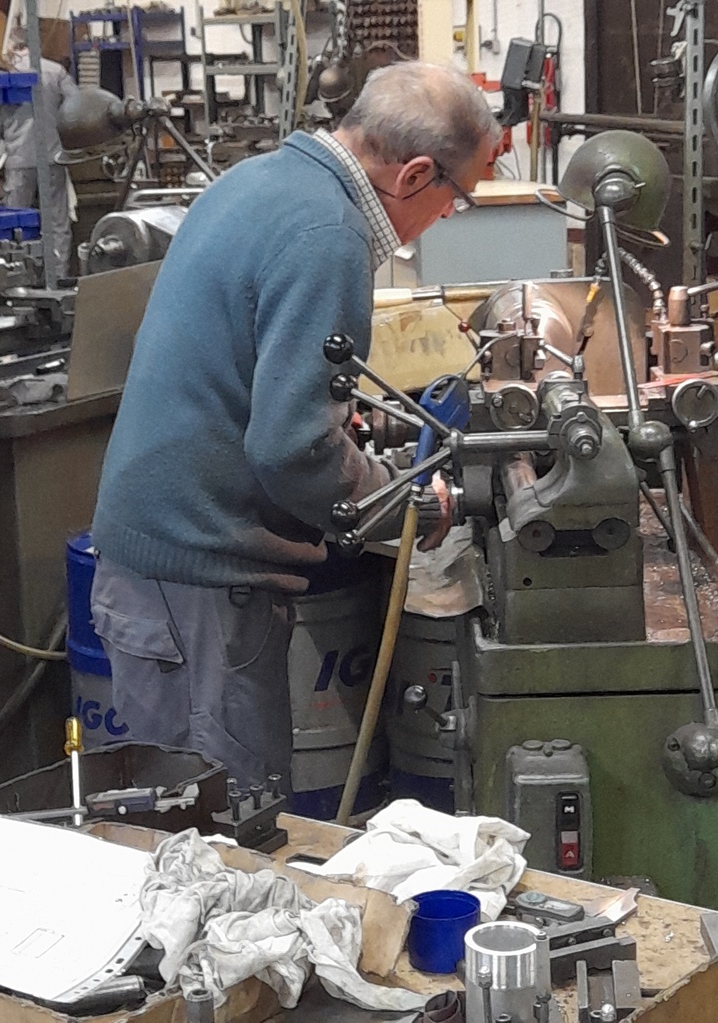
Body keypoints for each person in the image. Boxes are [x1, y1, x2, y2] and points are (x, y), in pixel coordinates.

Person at [89, 62, 501, 792]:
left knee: (182, 821)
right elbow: (292, 450)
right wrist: (407, 502)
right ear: (414, 175)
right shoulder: (328, 233)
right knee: (220, 829)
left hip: (163, 570)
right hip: (198, 585)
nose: (447, 216)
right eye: (456, 198)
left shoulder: (262, 178)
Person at [0, 50, 78, 279]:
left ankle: (15, 277)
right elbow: (76, 106)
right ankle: (58, 277)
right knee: (57, 224)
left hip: (19, 159)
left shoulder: (6, 73)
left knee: (14, 224)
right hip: (52, 156)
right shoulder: (56, 71)